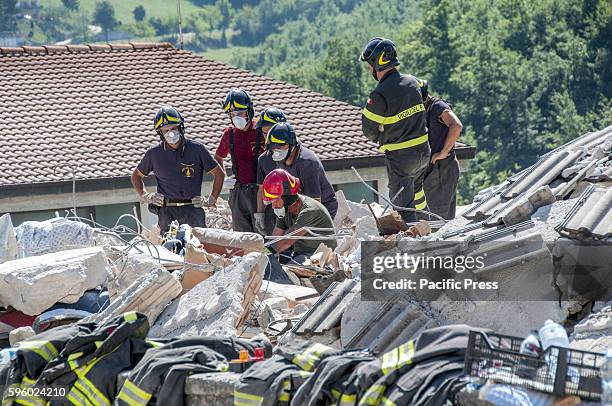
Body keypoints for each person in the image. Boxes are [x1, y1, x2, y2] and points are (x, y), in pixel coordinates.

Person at [359, 37, 430, 224]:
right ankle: (430, 229)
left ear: (378, 62)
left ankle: (414, 247)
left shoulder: (380, 95)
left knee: (403, 209)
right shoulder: (412, 82)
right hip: (424, 153)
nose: (369, 69)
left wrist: (383, 131)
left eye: (370, 64)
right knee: (418, 197)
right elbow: (423, 100)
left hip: (400, 159)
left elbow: (368, 131)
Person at [131, 106, 224, 234]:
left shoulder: (197, 150)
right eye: (166, 130)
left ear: (181, 127)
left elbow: (219, 174)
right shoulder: (154, 154)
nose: (171, 133)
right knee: (170, 250)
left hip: (193, 210)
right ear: (160, 133)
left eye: (174, 128)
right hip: (166, 212)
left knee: (197, 248)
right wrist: (145, 195)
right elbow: (136, 176)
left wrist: (211, 199)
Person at [257, 122, 338, 235]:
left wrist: (296, 230)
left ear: (292, 145)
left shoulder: (307, 163)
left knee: (306, 242)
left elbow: (315, 204)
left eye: (281, 146)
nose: (277, 150)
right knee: (283, 241)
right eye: (273, 147)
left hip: (322, 206)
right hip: (297, 204)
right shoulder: (281, 159)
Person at [214, 89, 265, 233]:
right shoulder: (229, 135)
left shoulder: (261, 131)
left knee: (264, 235)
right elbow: (218, 158)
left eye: (240, 113)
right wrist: (224, 178)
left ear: (250, 111)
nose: (237, 118)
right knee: (242, 237)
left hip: (260, 191)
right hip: (238, 192)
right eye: (233, 114)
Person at [263, 169, 337, 267]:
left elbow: (286, 242)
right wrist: (254, 252)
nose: (273, 206)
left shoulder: (309, 210)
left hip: (321, 257)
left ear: (287, 197)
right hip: (302, 254)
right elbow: (275, 239)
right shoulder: (285, 210)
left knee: (286, 273)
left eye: (275, 201)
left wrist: (261, 254)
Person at [421, 81, 463, 219]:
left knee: (437, 218)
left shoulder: (437, 106)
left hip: (443, 169)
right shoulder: (424, 110)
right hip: (436, 170)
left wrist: (443, 152)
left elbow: (456, 126)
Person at [253, 107, 288, 235]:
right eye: (264, 133)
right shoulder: (263, 160)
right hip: (273, 212)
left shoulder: (296, 155)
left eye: (271, 133)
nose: (268, 137)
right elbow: (261, 189)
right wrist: (260, 214)